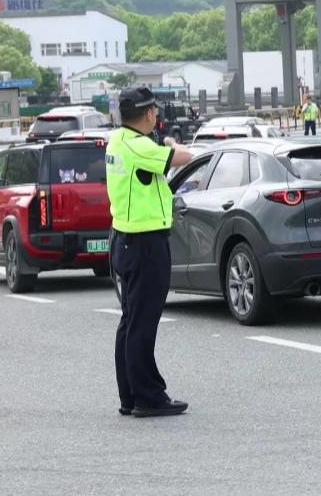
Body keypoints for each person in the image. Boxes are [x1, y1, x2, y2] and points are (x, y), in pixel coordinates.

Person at [106, 86, 193, 418]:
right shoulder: (140, 146)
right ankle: (148, 396)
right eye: (154, 110)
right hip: (144, 243)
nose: (157, 115)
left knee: (131, 320)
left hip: (124, 238)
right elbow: (184, 157)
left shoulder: (117, 141)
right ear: (148, 114)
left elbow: (151, 170)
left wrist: (163, 147)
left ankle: (130, 395)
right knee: (143, 321)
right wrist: (172, 144)